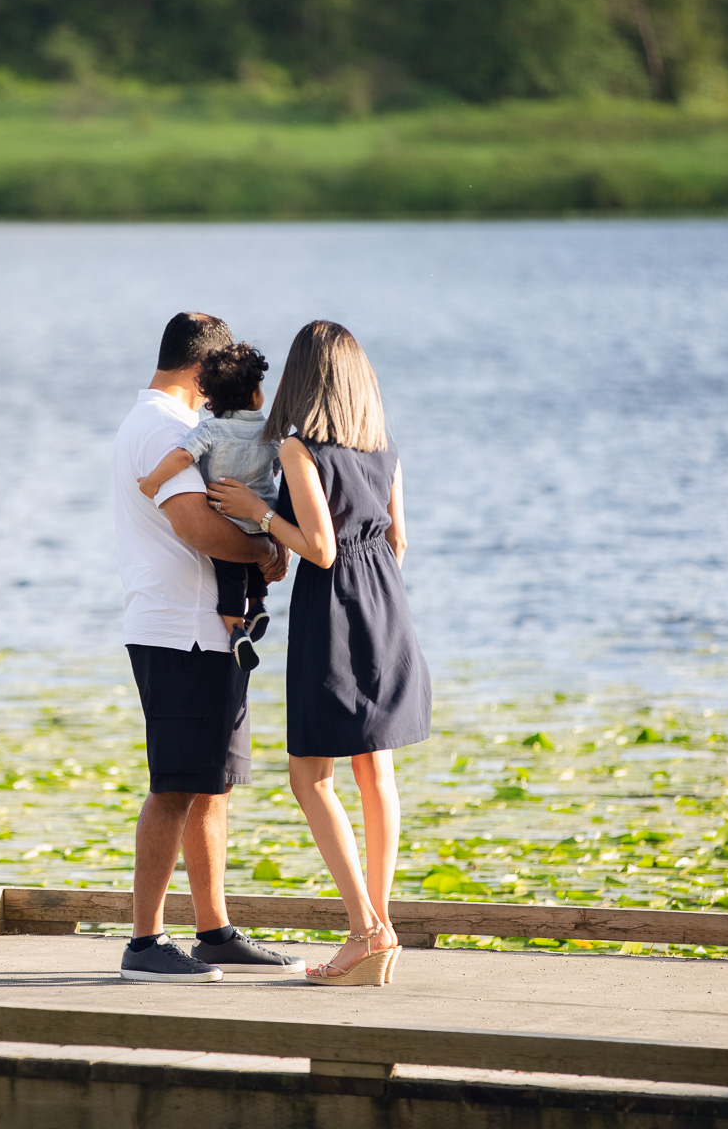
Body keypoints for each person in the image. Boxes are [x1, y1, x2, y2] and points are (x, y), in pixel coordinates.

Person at [210, 320, 431, 987]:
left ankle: (366, 931)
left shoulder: (302, 450)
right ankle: (379, 926)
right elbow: (396, 541)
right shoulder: (385, 446)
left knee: (311, 779)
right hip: (386, 609)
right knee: (376, 775)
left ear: (304, 379)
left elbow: (321, 547)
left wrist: (257, 509)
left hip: (332, 613)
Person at [112, 312, 304, 984]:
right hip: (179, 629)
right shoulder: (164, 429)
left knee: (211, 785)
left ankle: (214, 930)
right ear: (202, 372)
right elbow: (196, 526)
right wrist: (269, 548)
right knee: (175, 786)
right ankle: (144, 942)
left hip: (211, 631)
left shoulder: (173, 427)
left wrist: (263, 549)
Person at [136, 342, 277, 671]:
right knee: (255, 563)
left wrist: (153, 482)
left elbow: (182, 456)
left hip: (226, 518)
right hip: (261, 519)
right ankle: (258, 605)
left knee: (230, 574)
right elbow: (276, 466)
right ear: (256, 394)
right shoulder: (269, 430)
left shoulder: (209, 429)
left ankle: (236, 630)